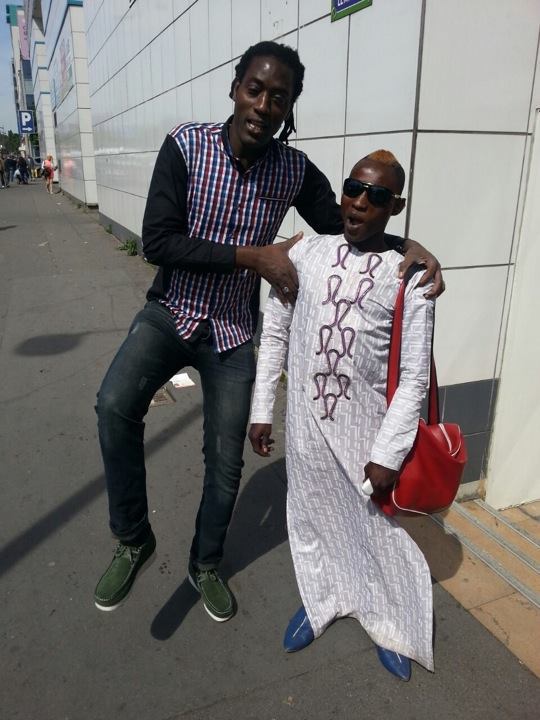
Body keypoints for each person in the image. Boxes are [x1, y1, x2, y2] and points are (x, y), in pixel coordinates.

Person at [93, 41, 443, 621]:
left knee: (226, 463)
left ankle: (205, 563)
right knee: (112, 405)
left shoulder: (294, 170)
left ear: (288, 109)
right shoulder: (186, 145)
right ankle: (133, 538)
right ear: (235, 88)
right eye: (255, 89)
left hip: (232, 333)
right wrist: (254, 257)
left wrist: (411, 247)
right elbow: (158, 240)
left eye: (278, 98)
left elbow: (351, 223)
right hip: (170, 312)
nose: (263, 104)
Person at [249, 150, 434, 681]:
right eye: (354, 188)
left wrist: (388, 452)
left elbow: (414, 378)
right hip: (305, 427)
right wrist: (264, 408)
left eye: (376, 196)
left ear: (394, 207)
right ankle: (322, 598)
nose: (359, 202)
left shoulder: (411, 277)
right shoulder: (306, 252)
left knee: (374, 531)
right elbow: (277, 331)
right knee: (309, 520)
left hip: (365, 433)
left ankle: (389, 621)